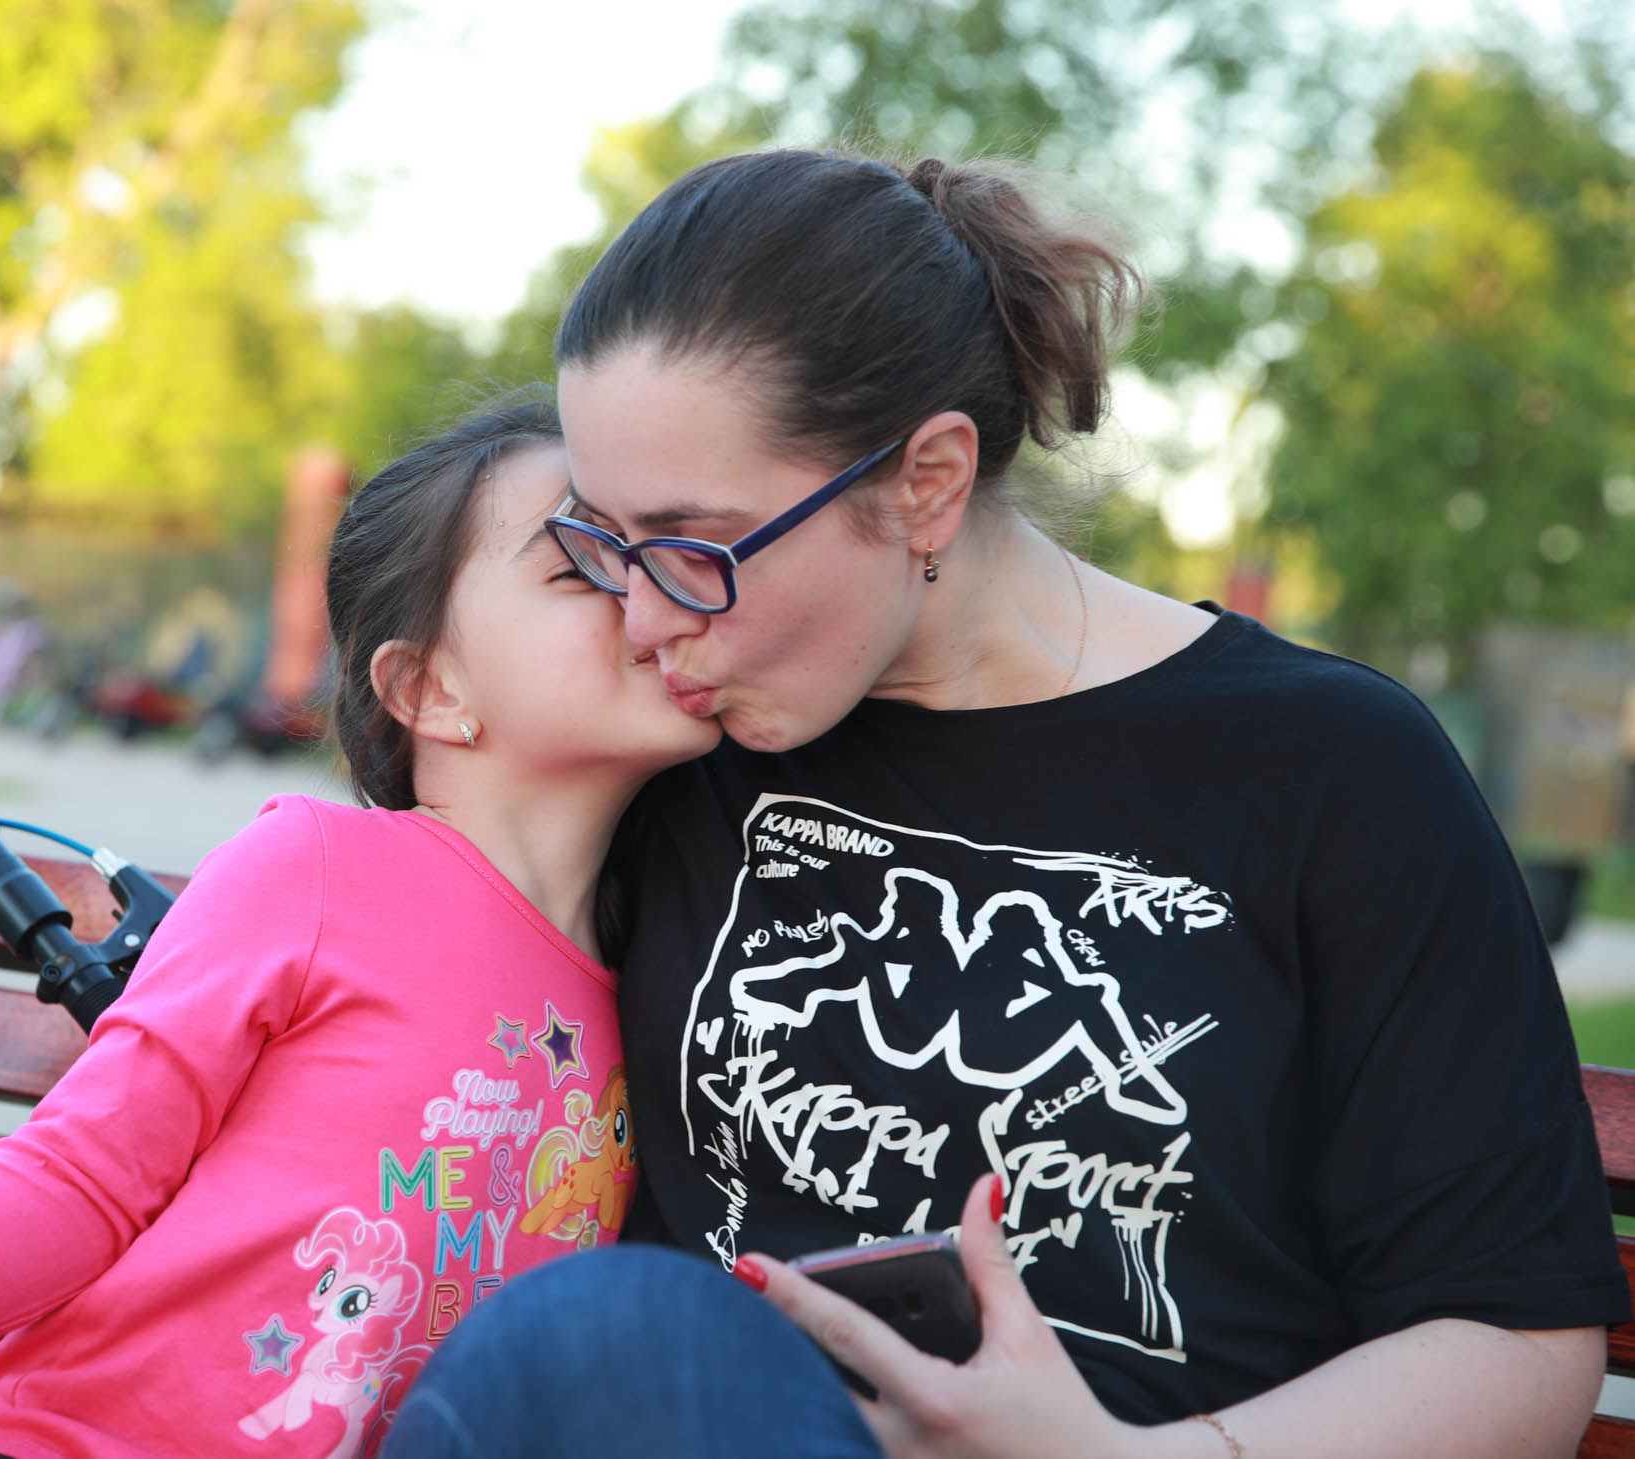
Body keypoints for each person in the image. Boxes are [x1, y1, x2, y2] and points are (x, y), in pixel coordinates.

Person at [380, 149, 1628, 1459]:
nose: (642, 621)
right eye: (606, 545)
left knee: (598, 1331)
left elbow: (1516, 1340)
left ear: (925, 480)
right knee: (592, 1337)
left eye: (693, 549)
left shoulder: (1327, 767)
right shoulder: (682, 746)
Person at [0, 396, 720, 1459]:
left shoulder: (662, 992)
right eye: (582, 564)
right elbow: (84, 1174)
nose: (651, 593)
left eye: (658, 553)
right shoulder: (319, 870)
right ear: (428, 687)